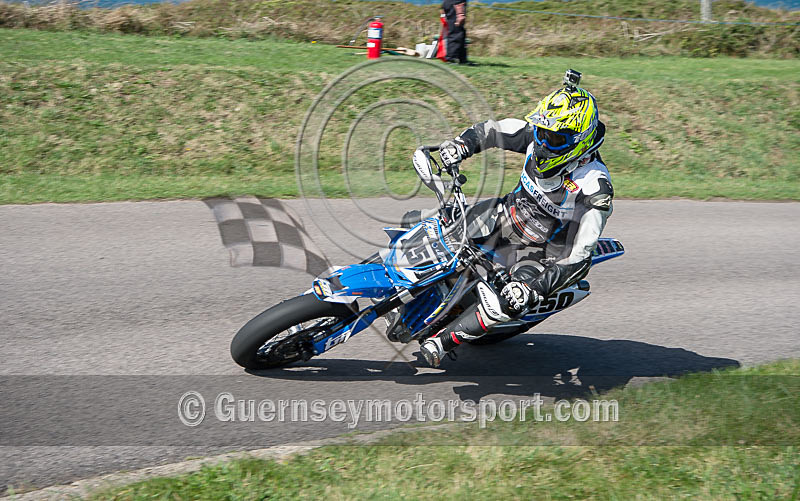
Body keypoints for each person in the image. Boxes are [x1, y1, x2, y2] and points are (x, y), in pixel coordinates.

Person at [418, 70, 614, 367]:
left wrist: (533, 290)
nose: (544, 142)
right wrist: (459, 146)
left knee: (511, 300)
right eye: (541, 132)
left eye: (555, 138)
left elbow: (580, 255)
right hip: (507, 214)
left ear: (581, 140)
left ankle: (445, 341)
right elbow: (492, 130)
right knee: (437, 227)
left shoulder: (596, 186)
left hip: (545, 250)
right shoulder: (537, 137)